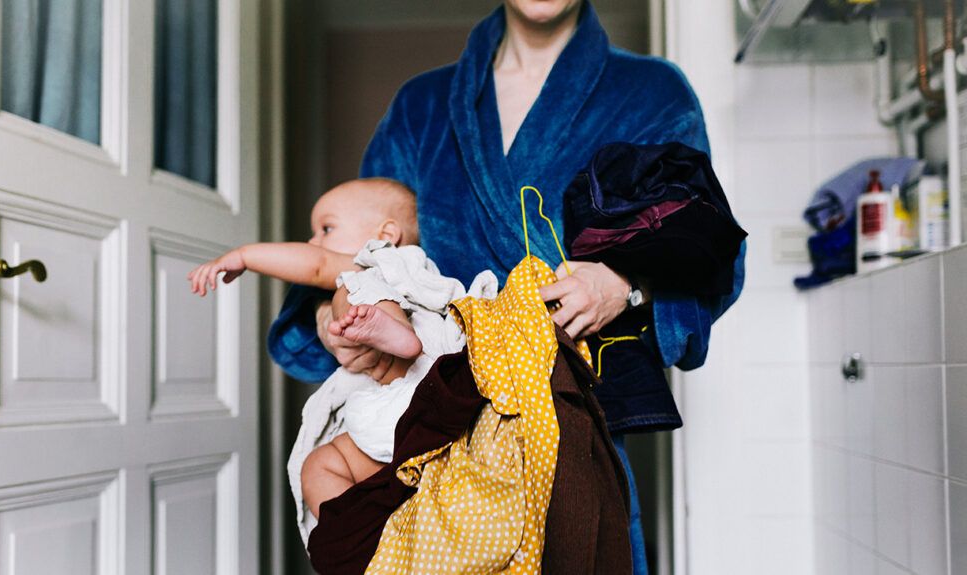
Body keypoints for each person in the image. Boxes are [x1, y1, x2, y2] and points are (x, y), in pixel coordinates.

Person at [269, 1, 746, 572]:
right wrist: (332, 317)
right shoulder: (422, 106)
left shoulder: (649, 92)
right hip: (423, 420)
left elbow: (708, 248)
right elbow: (356, 246)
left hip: (562, 421)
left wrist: (624, 282)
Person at [190, 177, 493, 520]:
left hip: (421, 377)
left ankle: (395, 331)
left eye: (326, 228)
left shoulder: (380, 261)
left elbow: (316, 263)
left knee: (351, 290)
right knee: (318, 466)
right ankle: (362, 536)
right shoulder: (417, 274)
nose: (314, 241)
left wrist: (244, 256)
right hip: (394, 417)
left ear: (386, 235)